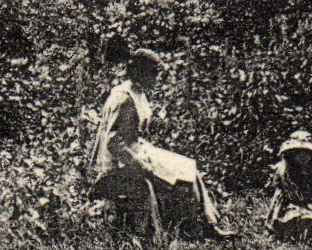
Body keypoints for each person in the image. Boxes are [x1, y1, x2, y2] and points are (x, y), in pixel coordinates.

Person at [86, 46, 227, 239]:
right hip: (120, 162)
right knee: (179, 177)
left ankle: (208, 224)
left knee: (188, 167)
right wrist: (141, 165)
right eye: (153, 73)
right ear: (139, 72)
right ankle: (193, 228)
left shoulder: (137, 92)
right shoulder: (124, 98)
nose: (156, 78)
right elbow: (113, 142)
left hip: (137, 149)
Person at [265, 130, 312, 238]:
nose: (303, 156)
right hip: (291, 204)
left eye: (307, 153)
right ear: (292, 154)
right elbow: (297, 198)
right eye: (299, 153)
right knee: (303, 220)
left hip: (310, 203)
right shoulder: (286, 171)